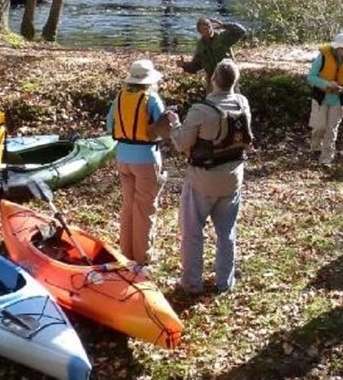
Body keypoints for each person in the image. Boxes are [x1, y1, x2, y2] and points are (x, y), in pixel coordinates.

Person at [170, 60, 254, 295]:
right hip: (233, 176)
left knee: (192, 232)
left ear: (213, 79)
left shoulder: (200, 110)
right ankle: (224, 281)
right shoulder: (243, 103)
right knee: (227, 232)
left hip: (202, 179)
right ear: (234, 81)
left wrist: (175, 124)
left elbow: (181, 143)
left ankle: (191, 283)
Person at [106, 58, 179, 264]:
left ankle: (126, 253)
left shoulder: (119, 98)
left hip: (123, 158)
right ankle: (143, 257)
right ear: (149, 80)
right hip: (146, 158)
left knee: (128, 205)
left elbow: (109, 125)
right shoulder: (152, 99)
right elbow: (164, 128)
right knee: (145, 208)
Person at [307, 32, 343, 166]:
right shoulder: (323, 57)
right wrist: (327, 84)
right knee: (319, 127)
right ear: (337, 48)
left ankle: (326, 159)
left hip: (338, 100)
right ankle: (315, 148)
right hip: (321, 97)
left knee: (331, 130)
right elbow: (311, 77)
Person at [178, 17, 248, 84]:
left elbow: (241, 31)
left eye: (209, 26)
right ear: (200, 32)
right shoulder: (200, 46)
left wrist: (224, 25)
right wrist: (184, 65)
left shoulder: (222, 38)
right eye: (205, 29)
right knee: (210, 95)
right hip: (212, 80)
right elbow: (196, 66)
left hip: (229, 76)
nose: (208, 30)